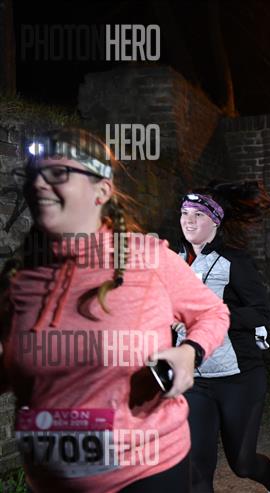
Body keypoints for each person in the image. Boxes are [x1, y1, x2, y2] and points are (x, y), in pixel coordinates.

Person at [0, 128, 230, 492]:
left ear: (102, 190)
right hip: (48, 481)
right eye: (34, 175)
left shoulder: (147, 258)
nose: (39, 184)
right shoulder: (20, 278)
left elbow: (212, 313)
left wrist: (189, 353)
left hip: (147, 473)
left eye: (58, 173)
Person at [177, 182, 270, 493]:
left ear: (215, 221)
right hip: (195, 379)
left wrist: (216, 315)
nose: (189, 221)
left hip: (238, 377)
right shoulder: (173, 262)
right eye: (184, 214)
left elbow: (260, 313)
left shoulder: (234, 261)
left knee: (242, 463)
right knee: (197, 470)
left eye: (198, 215)